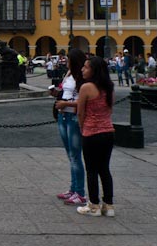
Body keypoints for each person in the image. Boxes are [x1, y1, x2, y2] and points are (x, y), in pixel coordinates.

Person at [76, 56, 115, 217]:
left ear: (94, 70)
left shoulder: (86, 87)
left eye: (85, 67)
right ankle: (109, 205)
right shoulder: (109, 87)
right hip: (108, 132)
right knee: (104, 169)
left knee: (91, 170)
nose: (82, 69)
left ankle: (94, 205)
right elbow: (110, 109)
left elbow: (80, 112)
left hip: (91, 133)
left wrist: (82, 127)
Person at [54, 48, 89, 206]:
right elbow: (65, 93)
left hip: (74, 118)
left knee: (75, 156)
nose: (66, 62)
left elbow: (83, 101)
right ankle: (73, 188)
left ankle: (80, 193)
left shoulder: (83, 78)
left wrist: (66, 104)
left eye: (69, 60)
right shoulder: (68, 74)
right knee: (70, 155)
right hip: (62, 116)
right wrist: (56, 95)